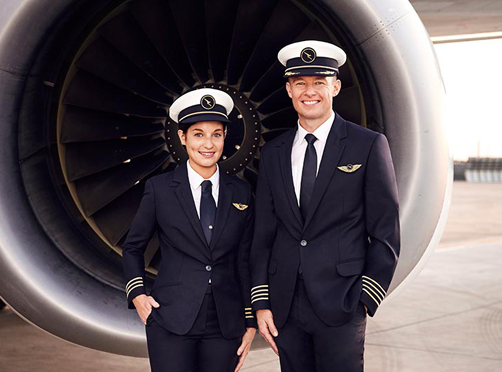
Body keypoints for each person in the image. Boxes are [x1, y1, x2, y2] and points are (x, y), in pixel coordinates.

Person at [250, 40, 401, 372]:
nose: (310, 91)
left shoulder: (368, 145)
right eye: (301, 83)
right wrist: (261, 302)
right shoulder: (273, 152)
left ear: (335, 86)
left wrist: (365, 298)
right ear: (289, 89)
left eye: (319, 82)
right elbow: (263, 233)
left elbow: (385, 230)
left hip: (342, 301)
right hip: (285, 304)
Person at [122, 88, 257, 372]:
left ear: (224, 138)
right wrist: (137, 294)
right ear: (182, 137)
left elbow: (245, 261)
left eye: (216, 134)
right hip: (171, 319)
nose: (208, 144)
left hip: (225, 323)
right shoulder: (160, 190)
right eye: (198, 134)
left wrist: (249, 321)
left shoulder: (242, 192)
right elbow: (133, 246)